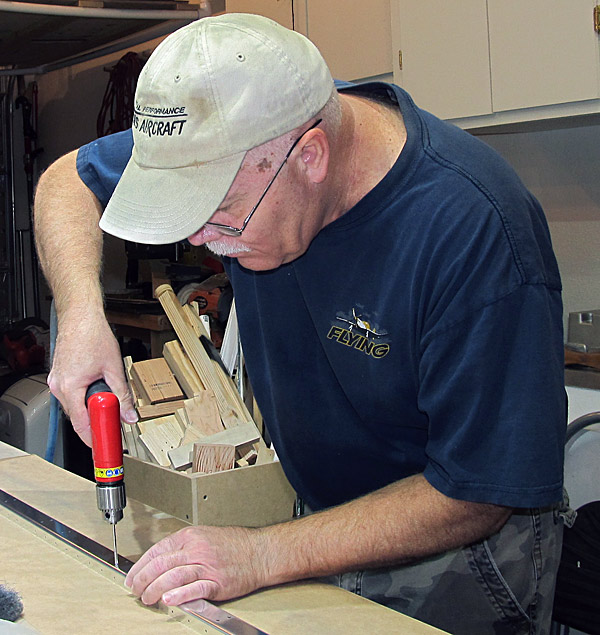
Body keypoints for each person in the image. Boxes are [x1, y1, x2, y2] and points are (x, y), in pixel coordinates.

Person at [34, 13, 568, 635]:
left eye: (224, 219)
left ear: (310, 156)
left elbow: (478, 490)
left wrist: (264, 553)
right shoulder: (242, 126)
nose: (207, 243)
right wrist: (78, 315)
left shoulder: (475, 229)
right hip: (317, 515)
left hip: (459, 553)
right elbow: (64, 181)